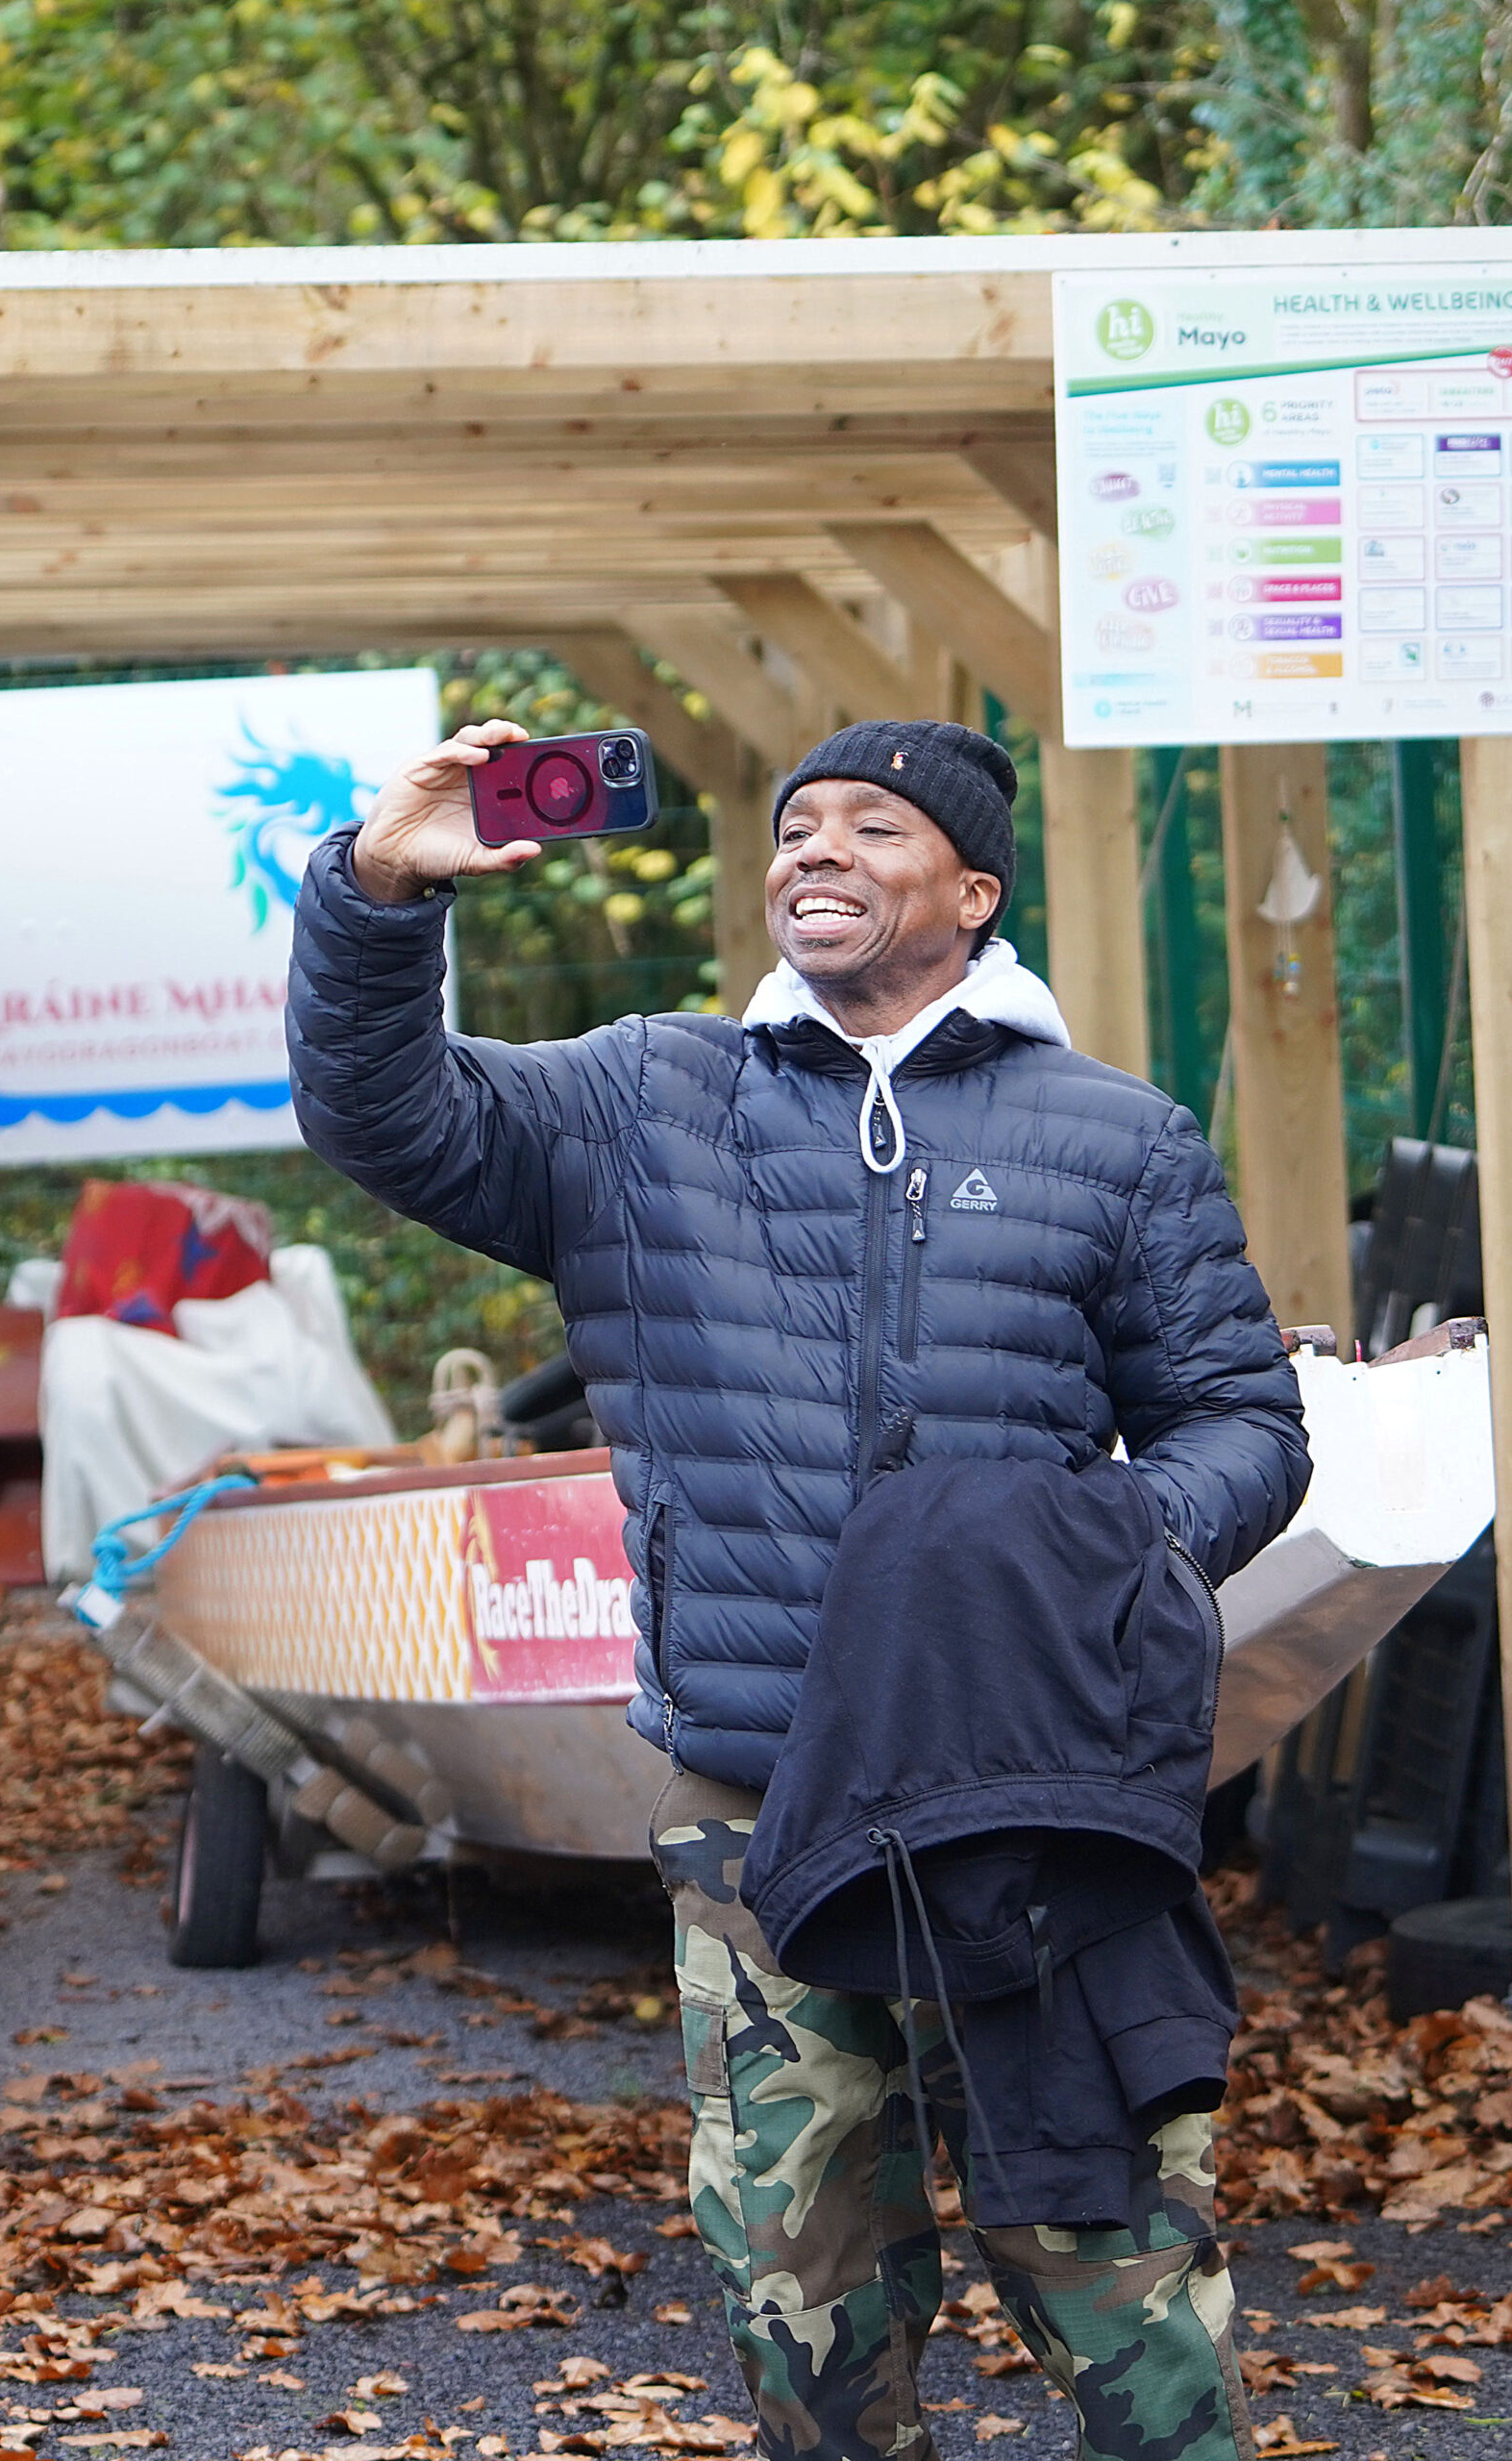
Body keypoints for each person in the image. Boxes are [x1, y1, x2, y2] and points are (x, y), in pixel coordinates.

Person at [288, 714, 1311, 2461]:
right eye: (795, 828)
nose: (814, 852)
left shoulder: (1115, 1137)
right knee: (807, 2285)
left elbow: (1241, 1423)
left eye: (872, 828)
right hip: (761, 1792)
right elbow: (383, 1110)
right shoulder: (639, 1101)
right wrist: (382, 892)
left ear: (974, 891)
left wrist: (1100, 1559)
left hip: (1036, 1792)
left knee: (1110, 2261)